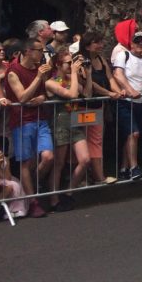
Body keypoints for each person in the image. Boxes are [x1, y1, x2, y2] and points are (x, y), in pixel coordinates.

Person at [3, 38, 53, 217]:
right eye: (39, 50)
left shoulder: (39, 68)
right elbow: (22, 97)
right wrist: (39, 76)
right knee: (26, 162)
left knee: (48, 156)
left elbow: (44, 94)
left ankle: (33, 184)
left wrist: (42, 98)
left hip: (40, 119)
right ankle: (33, 201)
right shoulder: (13, 71)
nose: (42, 54)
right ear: (27, 51)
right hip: (22, 121)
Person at [44, 50, 92, 211]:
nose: (71, 66)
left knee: (85, 159)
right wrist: (74, 74)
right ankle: (53, 199)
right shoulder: (51, 82)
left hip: (75, 121)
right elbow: (71, 95)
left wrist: (88, 74)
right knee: (59, 163)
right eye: (68, 63)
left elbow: (87, 94)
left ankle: (68, 192)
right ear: (58, 64)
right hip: (60, 122)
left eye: (72, 63)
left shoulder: (73, 79)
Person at [112, 29, 142, 181]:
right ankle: (134, 168)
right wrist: (129, 90)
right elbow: (118, 74)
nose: (141, 44)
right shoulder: (123, 55)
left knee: (130, 136)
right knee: (133, 133)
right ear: (131, 43)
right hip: (125, 101)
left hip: (140, 102)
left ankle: (124, 168)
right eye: (137, 41)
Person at [78, 32, 120, 185]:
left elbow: (109, 77)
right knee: (80, 141)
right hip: (83, 107)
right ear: (88, 45)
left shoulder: (101, 59)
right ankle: (82, 177)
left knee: (96, 141)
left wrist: (117, 91)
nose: (101, 45)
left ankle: (98, 176)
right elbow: (88, 82)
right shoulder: (80, 60)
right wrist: (109, 93)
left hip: (97, 106)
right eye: (97, 42)